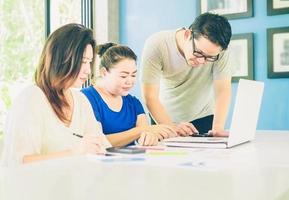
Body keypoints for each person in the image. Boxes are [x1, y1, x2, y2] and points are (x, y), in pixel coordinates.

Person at [1, 23, 111, 166]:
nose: (88, 71)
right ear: (61, 59)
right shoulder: (31, 99)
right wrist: (75, 153)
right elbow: (20, 163)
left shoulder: (81, 100)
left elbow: (103, 146)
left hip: (76, 185)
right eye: (83, 61)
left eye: (89, 62)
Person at [140, 12, 233, 137]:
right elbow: (149, 97)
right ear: (187, 34)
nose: (201, 61)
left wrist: (218, 127)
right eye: (198, 53)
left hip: (204, 115)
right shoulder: (157, 44)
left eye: (209, 57)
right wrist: (171, 127)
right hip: (164, 116)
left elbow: (223, 90)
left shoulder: (219, 51)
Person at [81, 43, 177, 147]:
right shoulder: (86, 98)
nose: (130, 81)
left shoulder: (133, 103)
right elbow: (97, 142)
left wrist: (150, 137)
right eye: (123, 76)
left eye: (133, 75)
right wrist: (141, 130)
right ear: (104, 73)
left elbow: (144, 134)